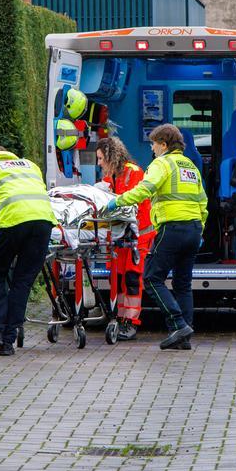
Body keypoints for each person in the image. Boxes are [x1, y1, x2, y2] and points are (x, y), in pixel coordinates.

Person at [105, 124, 208, 350]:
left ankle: (178, 324)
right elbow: (203, 201)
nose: (152, 148)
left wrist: (116, 202)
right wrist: (199, 227)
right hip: (192, 230)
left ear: (163, 144)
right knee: (183, 284)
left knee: (151, 278)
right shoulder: (190, 166)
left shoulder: (162, 164)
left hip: (172, 228)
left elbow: (145, 189)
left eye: (153, 143)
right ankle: (184, 336)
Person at [0, 146, 56, 356]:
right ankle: (7, 342)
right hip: (44, 222)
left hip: (12, 221)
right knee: (23, 282)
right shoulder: (30, 165)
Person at [96, 137, 154, 341]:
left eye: (101, 158)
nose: (99, 163)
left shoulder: (133, 172)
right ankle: (121, 318)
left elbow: (135, 201)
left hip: (139, 235)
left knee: (131, 277)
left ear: (111, 156)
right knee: (119, 277)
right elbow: (98, 193)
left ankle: (130, 322)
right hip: (122, 236)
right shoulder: (110, 176)